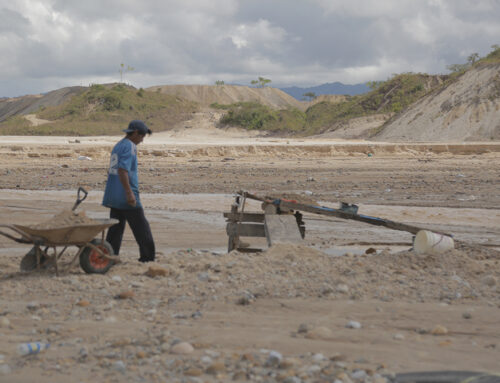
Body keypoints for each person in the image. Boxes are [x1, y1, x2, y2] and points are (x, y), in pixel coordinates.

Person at [102, 120, 155, 262]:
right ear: (136, 133)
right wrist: (129, 192)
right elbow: (122, 170)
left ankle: (110, 256)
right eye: (142, 137)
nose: (142, 141)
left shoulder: (119, 145)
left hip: (113, 195)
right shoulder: (130, 146)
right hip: (126, 196)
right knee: (141, 227)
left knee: (115, 229)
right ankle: (147, 258)